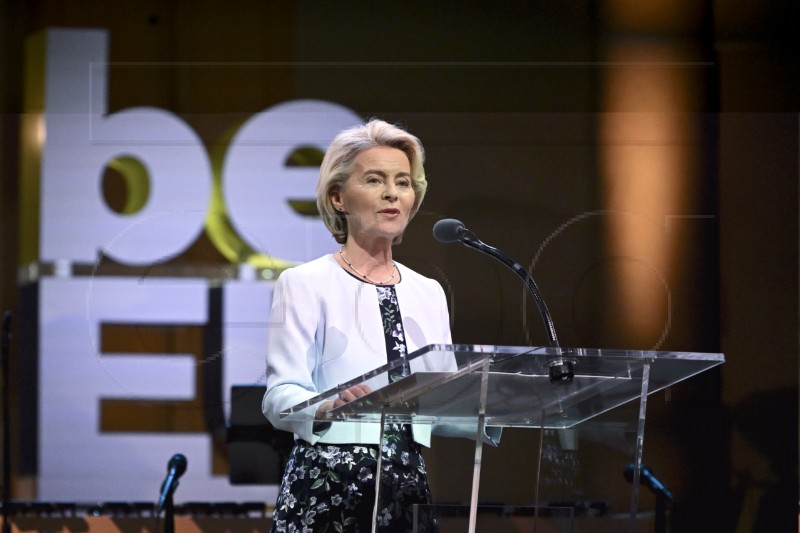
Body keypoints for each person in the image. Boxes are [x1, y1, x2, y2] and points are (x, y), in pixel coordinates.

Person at [262, 119, 451, 532]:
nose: (392, 193)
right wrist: (326, 406)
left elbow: (447, 397)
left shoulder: (429, 292)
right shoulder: (304, 283)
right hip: (330, 483)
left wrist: (497, 397)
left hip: (407, 485)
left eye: (403, 182)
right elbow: (278, 396)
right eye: (374, 180)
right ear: (338, 198)